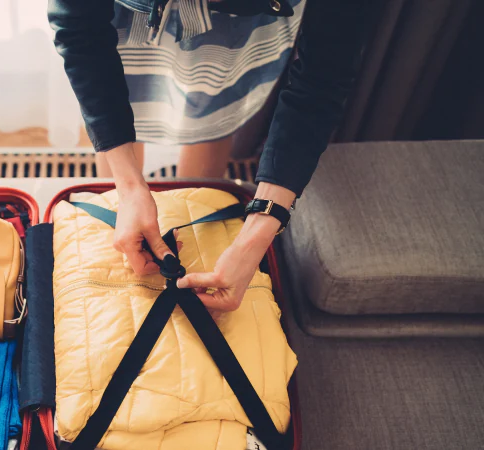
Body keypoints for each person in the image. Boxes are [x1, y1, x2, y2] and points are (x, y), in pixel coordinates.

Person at [49, 0, 372, 313]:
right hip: (126, 23)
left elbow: (325, 74)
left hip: (236, 36)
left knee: (213, 118)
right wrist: (129, 188)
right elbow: (80, 30)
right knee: (119, 124)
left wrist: (256, 235)